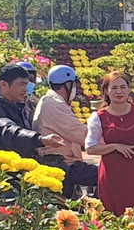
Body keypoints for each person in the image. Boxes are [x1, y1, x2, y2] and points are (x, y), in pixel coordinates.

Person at [86, 71, 134, 215]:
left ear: (129, 89)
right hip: (112, 173)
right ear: (106, 91)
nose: (119, 91)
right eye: (114, 88)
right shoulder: (99, 117)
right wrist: (115, 146)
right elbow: (90, 148)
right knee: (113, 215)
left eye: (123, 87)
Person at [34, 64, 98, 195]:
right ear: (67, 84)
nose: (75, 89)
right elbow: (84, 135)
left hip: (63, 162)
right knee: (106, 175)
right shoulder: (55, 105)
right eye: (74, 85)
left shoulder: (52, 101)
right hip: (62, 164)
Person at [0, 63, 66, 159]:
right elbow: (9, 131)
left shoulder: (19, 107)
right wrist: (39, 139)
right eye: (21, 84)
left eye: (26, 85)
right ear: (3, 84)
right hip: (1, 167)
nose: (25, 90)